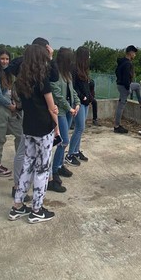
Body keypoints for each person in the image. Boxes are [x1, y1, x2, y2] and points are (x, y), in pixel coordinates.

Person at [9, 43, 59, 223]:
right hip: (43, 128)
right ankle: (37, 209)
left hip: (28, 127)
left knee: (27, 166)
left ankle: (17, 205)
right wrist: (56, 126)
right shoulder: (42, 80)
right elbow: (51, 107)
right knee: (42, 169)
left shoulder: (20, 81)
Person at [0, 48, 23, 177]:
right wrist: (11, 106)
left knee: (20, 134)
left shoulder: (10, 73)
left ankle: (20, 160)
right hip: (0, 109)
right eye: (2, 59)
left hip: (12, 108)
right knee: (0, 138)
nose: (5, 61)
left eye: (7, 59)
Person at [51, 48, 80, 181]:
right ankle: (54, 169)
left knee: (63, 141)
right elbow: (57, 94)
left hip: (68, 110)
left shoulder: (67, 74)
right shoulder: (55, 74)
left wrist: (77, 103)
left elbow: (72, 90)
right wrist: (69, 108)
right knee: (63, 141)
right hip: (61, 111)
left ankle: (60, 164)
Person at [67, 46, 91, 164]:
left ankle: (76, 151)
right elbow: (73, 87)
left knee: (81, 128)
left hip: (85, 102)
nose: (89, 57)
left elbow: (86, 86)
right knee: (79, 127)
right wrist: (82, 97)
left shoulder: (84, 69)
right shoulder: (74, 69)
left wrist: (89, 97)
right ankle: (70, 154)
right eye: (88, 55)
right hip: (79, 103)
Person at [114, 45, 141, 133]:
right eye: (134, 53)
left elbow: (116, 72)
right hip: (124, 86)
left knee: (137, 86)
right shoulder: (128, 64)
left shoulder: (122, 62)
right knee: (121, 106)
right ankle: (116, 126)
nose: (135, 55)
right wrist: (128, 89)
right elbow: (126, 78)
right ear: (130, 53)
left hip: (121, 85)